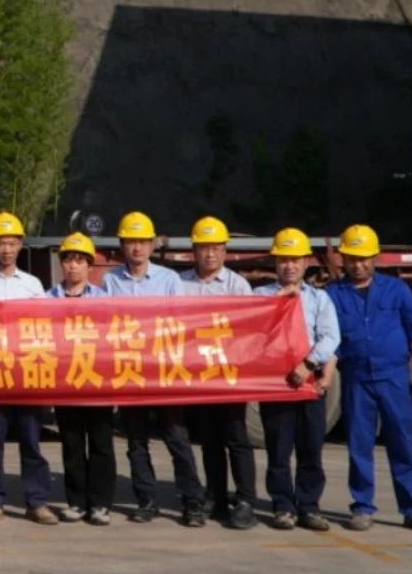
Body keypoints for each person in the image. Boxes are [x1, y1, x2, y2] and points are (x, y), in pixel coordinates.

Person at [327, 224, 412, 534]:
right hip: (356, 379)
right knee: (359, 445)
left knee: (402, 444)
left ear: (375, 257)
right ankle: (363, 507)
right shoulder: (333, 294)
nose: (358, 265)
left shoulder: (397, 290)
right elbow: (330, 340)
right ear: (342, 259)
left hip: (393, 378)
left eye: (363, 259)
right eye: (352, 259)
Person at [104, 210, 207, 527]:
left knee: (177, 439)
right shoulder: (111, 281)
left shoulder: (168, 280)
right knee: (136, 442)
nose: (136, 248)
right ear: (122, 245)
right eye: (130, 241)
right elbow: (104, 324)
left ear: (152, 245)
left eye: (142, 241)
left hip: (164, 371)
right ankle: (146, 500)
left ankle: (192, 502)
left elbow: (182, 324)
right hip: (130, 371)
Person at [0, 212, 57, 525]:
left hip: (27, 372)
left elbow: (45, 328)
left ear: (20, 245)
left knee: (31, 440)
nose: (6, 249)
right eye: (1, 243)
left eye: (12, 243)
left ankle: (37, 501)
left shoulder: (33, 285)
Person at [177, 216, 261, 531]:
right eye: (204, 247)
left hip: (229, 375)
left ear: (225, 250)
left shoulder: (238, 285)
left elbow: (250, 329)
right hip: (198, 377)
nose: (210, 254)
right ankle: (216, 496)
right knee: (209, 440)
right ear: (194, 251)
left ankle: (246, 500)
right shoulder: (180, 285)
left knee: (236, 437)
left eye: (215, 247)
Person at [255, 228, 340, 531]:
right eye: (283, 260)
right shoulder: (259, 297)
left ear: (305, 262)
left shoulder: (319, 299)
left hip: (309, 381)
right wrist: (277, 302)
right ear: (275, 263)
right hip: (276, 385)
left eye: (295, 260)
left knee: (310, 448)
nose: (289, 266)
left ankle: (309, 506)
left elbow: (330, 337)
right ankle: (283, 506)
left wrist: (310, 364)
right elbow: (252, 333)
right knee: (279, 449)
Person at [46, 233, 114, 526]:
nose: (73, 266)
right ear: (61, 264)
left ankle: (100, 504)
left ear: (89, 265)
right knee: (72, 444)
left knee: (101, 443)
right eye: (68, 260)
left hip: (97, 382)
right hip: (65, 383)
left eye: (79, 260)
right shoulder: (47, 299)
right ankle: (76, 501)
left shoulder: (104, 300)